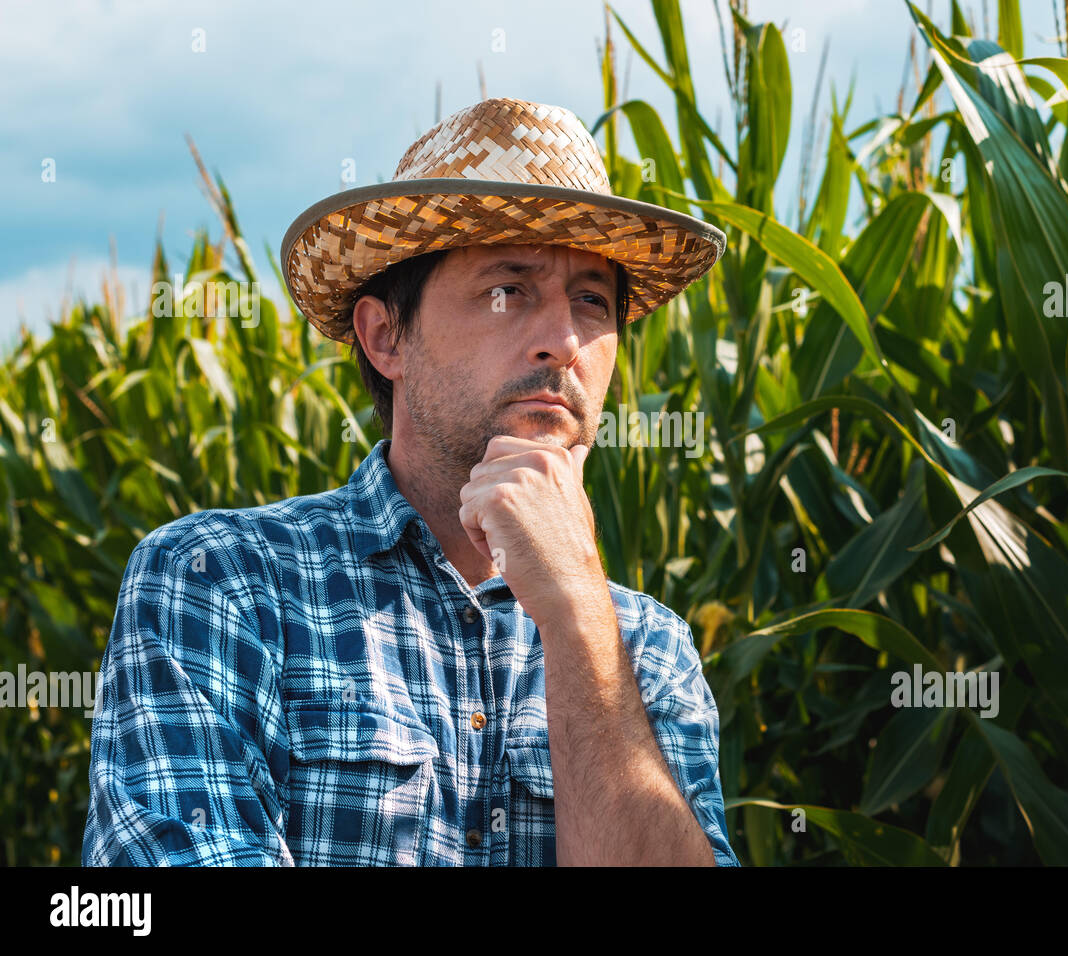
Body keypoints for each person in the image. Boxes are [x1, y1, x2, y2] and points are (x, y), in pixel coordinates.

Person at [82, 96, 739, 866]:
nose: (563, 341)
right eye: (508, 291)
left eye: (591, 300)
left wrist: (580, 623)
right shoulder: (220, 583)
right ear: (385, 335)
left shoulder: (650, 651)